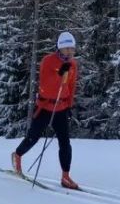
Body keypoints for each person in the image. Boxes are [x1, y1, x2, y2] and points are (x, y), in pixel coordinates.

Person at [11, 31, 80, 189]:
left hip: (61, 107)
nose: (70, 52)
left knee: (65, 143)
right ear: (60, 48)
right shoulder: (48, 61)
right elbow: (45, 85)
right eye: (67, 48)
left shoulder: (73, 64)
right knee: (33, 138)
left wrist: (69, 106)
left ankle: (65, 176)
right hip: (45, 106)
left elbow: (71, 86)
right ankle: (18, 155)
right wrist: (60, 74)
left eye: (72, 49)